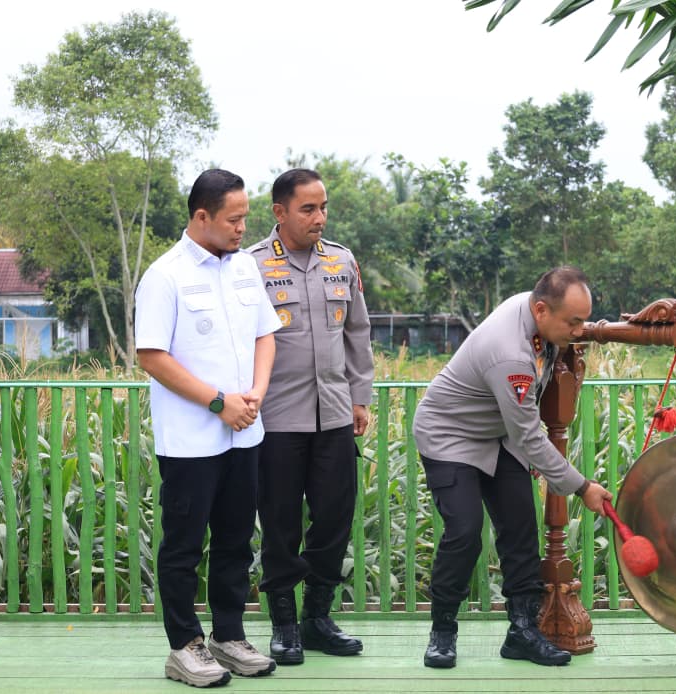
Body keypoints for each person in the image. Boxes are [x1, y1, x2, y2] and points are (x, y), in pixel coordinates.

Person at [412, 265, 612, 669]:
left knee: (521, 527)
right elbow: (528, 437)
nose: (579, 331)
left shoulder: (535, 311)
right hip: (450, 436)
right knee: (465, 531)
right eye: (573, 323)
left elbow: (519, 429)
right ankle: (443, 630)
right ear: (541, 310)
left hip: (497, 433)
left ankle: (522, 632)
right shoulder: (510, 355)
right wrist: (581, 487)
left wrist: (576, 334)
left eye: (584, 321)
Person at [135, 168, 280, 687]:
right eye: (234, 219)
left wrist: (256, 392)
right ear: (202, 217)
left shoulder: (244, 269)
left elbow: (266, 334)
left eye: (246, 217)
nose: (244, 228)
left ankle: (228, 635)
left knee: (237, 542)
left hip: (246, 434)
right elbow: (152, 356)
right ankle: (184, 646)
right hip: (193, 440)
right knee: (183, 545)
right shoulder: (165, 275)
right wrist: (220, 402)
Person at [249, 168, 374, 666]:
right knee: (279, 524)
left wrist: (360, 397)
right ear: (280, 212)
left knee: (334, 520)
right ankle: (283, 623)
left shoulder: (341, 261)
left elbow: (357, 333)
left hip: (335, 416)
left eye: (323, 208)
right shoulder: (252, 266)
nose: (319, 217)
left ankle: (317, 619)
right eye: (308, 209)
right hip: (277, 418)